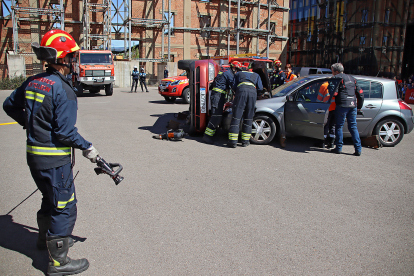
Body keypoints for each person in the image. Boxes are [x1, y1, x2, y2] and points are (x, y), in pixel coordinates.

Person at [2, 29, 99, 275]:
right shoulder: (63, 91)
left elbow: (9, 105)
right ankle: (58, 263)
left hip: (34, 158)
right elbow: (66, 133)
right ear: (62, 58)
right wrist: (88, 147)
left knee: (49, 198)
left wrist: (29, 122)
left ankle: (43, 240)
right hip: (55, 160)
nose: (75, 61)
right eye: (72, 56)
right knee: (64, 206)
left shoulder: (34, 81)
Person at [330, 63, 364, 156]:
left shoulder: (336, 78)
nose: (332, 73)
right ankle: (358, 149)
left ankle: (339, 148)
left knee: (339, 126)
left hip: (342, 105)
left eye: (332, 71)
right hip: (353, 105)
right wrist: (359, 107)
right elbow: (361, 94)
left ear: (336, 71)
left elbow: (334, 93)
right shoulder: (352, 78)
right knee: (353, 127)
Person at [228, 63, 263, 148]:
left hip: (241, 92)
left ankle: (233, 142)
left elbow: (234, 86)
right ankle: (245, 142)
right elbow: (260, 88)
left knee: (236, 117)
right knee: (248, 117)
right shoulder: (256, 75)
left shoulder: (238, 74)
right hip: (252, 93)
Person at [202, 61, 237, 144]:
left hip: (218, 96)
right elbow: (233, 85)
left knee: (217, 116)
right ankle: (207, 137)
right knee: (216, 117)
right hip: (218, 96)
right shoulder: (229, 73)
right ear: (234, 68)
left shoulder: (223, 72)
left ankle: (211, 135)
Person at [316, 81, 336, 148]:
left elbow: (319, 99)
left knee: (325, 125)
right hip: (336, 108)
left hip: (327, 107)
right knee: (333, 125)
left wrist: (317, 106)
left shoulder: (324, 85)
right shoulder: (337, 84)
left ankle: (322, 142)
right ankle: (332, 143)